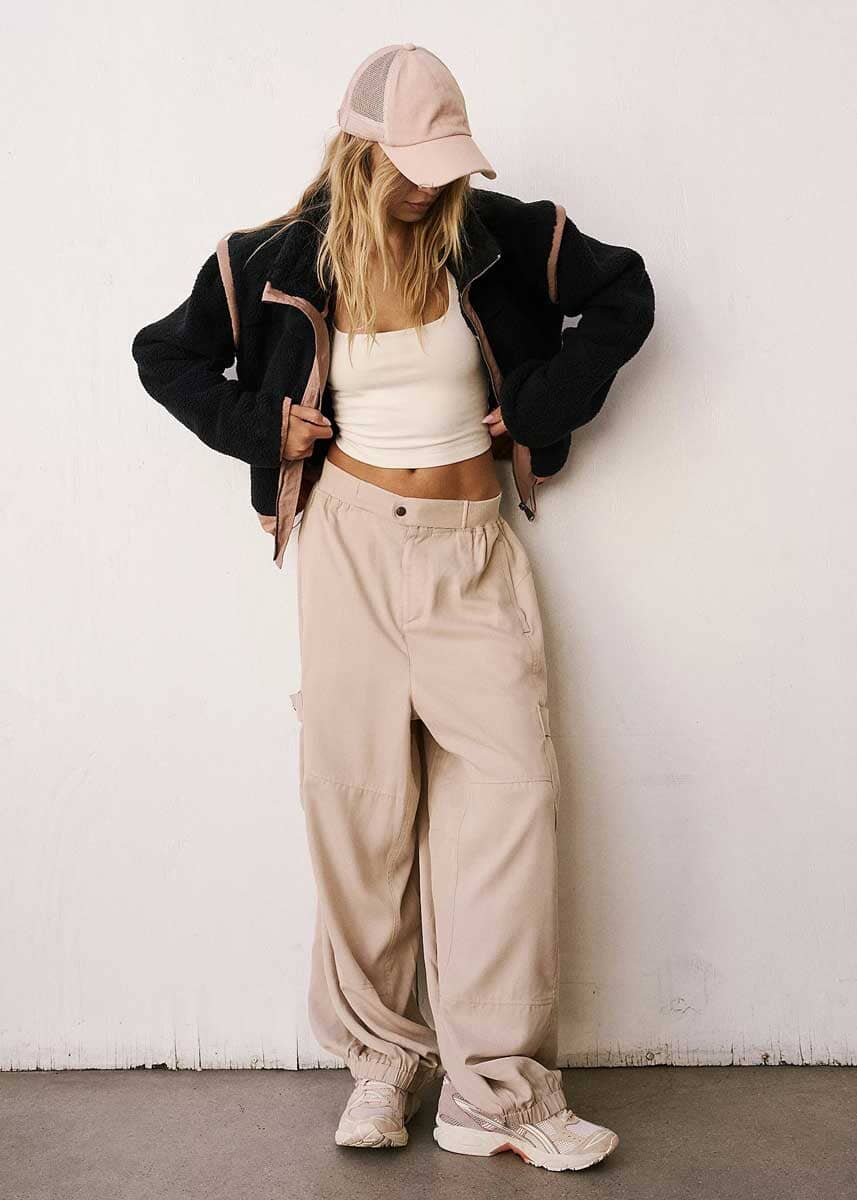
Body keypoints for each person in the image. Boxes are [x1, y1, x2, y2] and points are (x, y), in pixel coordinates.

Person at [132, 42, 655, 1173]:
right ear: (358, 150)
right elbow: (163, 356)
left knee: (508, 805)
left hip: (473, 551)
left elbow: (624, 294)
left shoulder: (499, 237)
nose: (430, 185)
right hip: (350, 547)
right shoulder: (271, 258)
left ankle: (495, 1092)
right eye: (412, 164)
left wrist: (542, 402)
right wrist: (261, 429)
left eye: (444, 163)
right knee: (359, 807)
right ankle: (381, 1059)